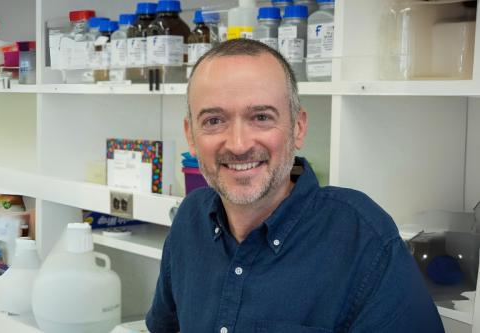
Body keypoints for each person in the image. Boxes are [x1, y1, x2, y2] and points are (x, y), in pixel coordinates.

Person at [146, 38, 444, 333]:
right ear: (191, 135)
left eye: (261, 117)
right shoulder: (189, 220)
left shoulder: (362, 238)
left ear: (298, 127)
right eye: (214, 121)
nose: (238, 144)